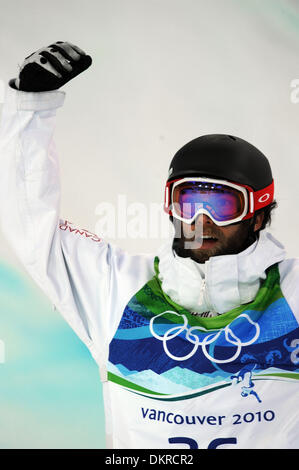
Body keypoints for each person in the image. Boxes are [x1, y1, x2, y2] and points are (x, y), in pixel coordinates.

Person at [0, 41, 298, 450]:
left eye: (222, 204)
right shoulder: (117, 289)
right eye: (188, 202)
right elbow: (32, 229)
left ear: (258, 215)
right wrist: (29, 109)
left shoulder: (292, 295)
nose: (200, 220)